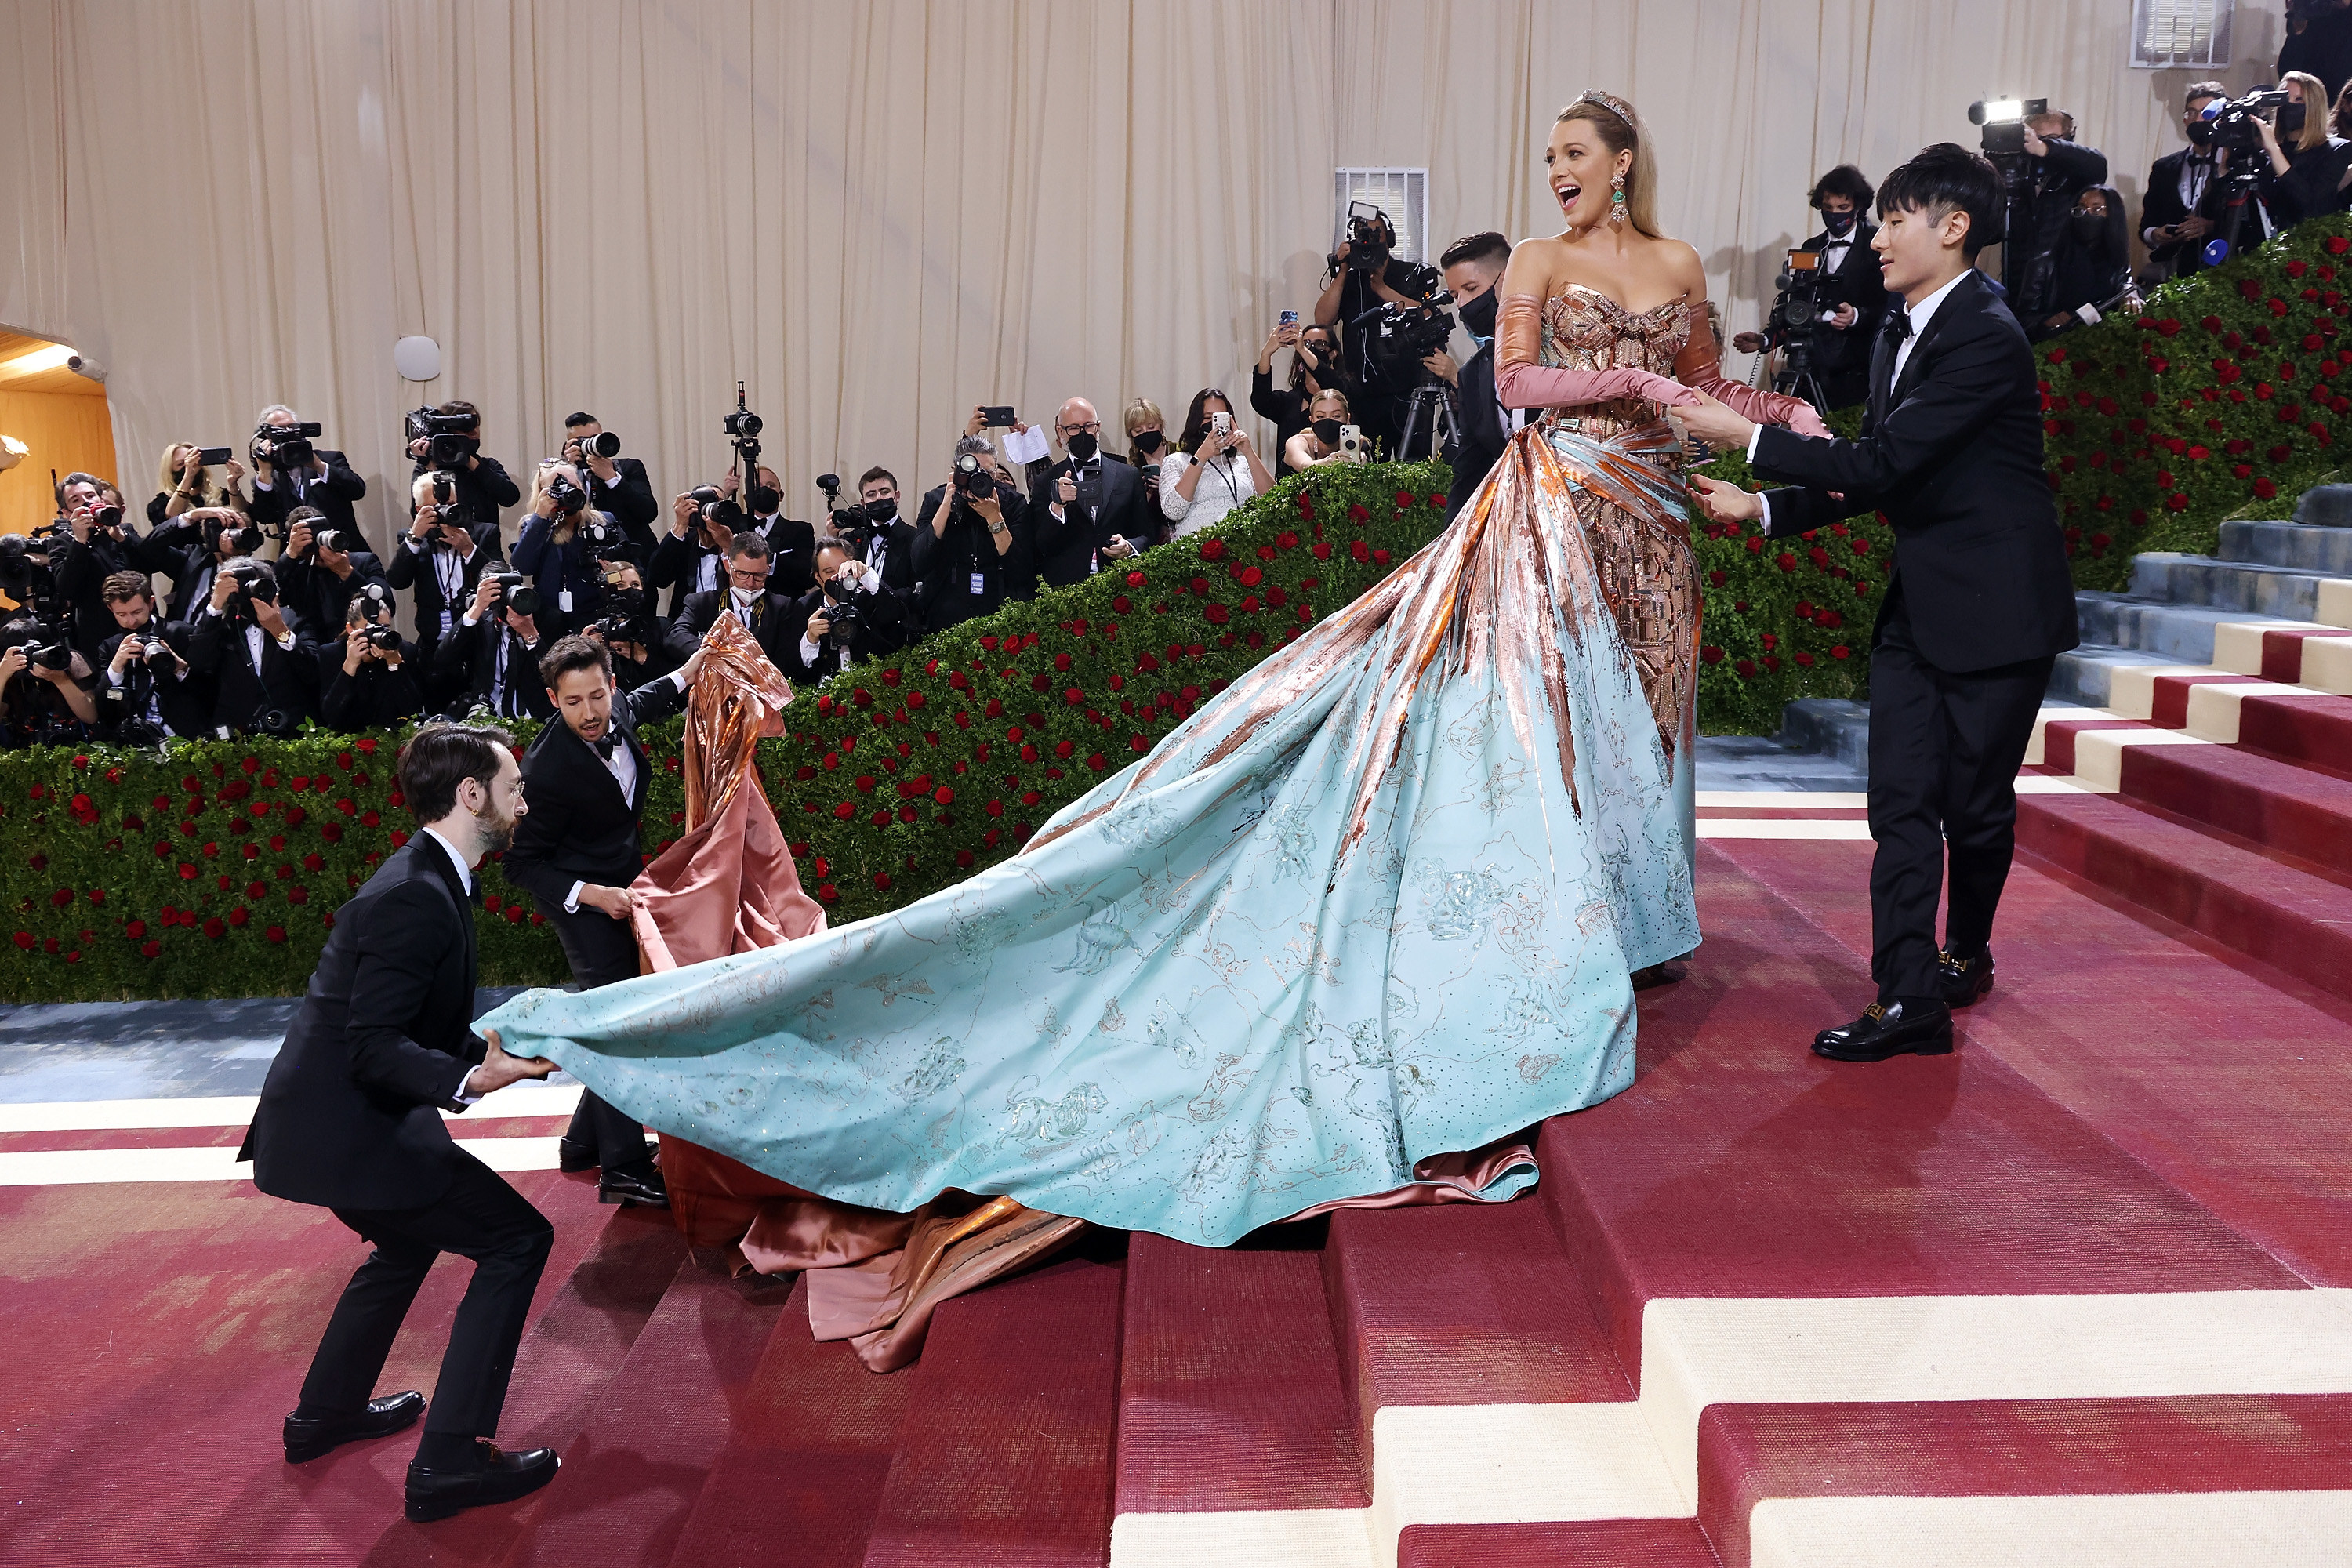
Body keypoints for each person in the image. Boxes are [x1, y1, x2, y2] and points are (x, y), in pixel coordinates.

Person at [477, 90, 1797, 1307]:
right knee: (1547, 726)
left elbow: (1711, 388)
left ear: (1624, 159)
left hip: (1656, 516)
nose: (1559, 174)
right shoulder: (1544, 269)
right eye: (1550, 157)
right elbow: (1518, 386)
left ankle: (1635, 915)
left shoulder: (1676, 269)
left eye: (1577, 155)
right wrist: (1637, 383)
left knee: (1647, 721)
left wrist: (1793, 432)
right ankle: (1561, 929)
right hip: (1552, 510)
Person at [1683, 142, 2078, 1063]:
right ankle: (1908, 999)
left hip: (2000, 611)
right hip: (1919, 605)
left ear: (1955, 227)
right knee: (1901, 801)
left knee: (1975, 809)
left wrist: (1752, 439)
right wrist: (1769, 508)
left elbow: (1886, 464)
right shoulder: (1899, 328)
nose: (1881, 236)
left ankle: (1966, 950)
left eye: (1899, 219)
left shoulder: (1986, 332)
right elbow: (1875, 474)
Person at [238, 721, 563, 1523]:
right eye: (514, 785)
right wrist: (468, 1075)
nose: (526, 799)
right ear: (471, 794)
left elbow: (408, 1021)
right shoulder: (414, 893)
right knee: (518, 1238)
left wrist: (490, 1052)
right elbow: (374, 1045)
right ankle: (450, 1460)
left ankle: (325, 1414)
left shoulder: (432, 876)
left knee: (412, 1238)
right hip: (348, 1131)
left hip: (339, 1123)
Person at [501, 636, 703, 1205]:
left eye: (596, 697)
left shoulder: (615, 708)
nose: (589, 714)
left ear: (609, 687)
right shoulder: (544, 770)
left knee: (624, 1011)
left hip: (622, 885)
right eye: (573, 703)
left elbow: (649, 698)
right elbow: (520, 865)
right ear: (552, 699)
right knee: (617, 1026)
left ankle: (582, 1141)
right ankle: (624, 1167)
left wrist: (694, 669)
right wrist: (593, 895)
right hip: (581, 900)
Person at [1730, 166, 1888, 411]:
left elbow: (1892, 305)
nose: (1834, 214)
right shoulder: (1810, 247)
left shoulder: (1878, 244)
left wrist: (1857, 316)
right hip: (1810, 365)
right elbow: (1797, 306)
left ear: (1858, 206)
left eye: (1842, 208)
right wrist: (1765, 339)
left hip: (1857, 371)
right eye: (1828, 208)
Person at [1314, 209, 1443, 453]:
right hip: (1361, 395)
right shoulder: (1350, 281)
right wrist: (1342, 272)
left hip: (1409, 392)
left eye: (1377, 234)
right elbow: (1322, 319)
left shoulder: (1411, 272)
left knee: (1412, 471)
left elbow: (1427, 314)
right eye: (1364, 235)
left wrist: (1381, 288)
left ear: (1389, 239)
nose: (1371, 241)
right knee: (1362, 467)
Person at [390, 474, 507, 709]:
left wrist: (469, 549)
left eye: (451, 504)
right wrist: (415, 536)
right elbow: (397, 580)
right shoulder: (413, 538)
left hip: (479, 646)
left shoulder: (484, 533)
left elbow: (500, 579)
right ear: (418, 509)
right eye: (435, 508)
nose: (445, 512)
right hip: (434, 648)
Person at [1429, 231, 1515, 520]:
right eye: (1455, 295)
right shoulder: (1472, 375)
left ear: (1506, 279)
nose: (1462, 304)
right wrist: (1451, 542)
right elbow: (1469, 469)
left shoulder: (1562, 352)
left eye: (1471, 288)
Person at [1029, 398, 1153, 587]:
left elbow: (1145, 534)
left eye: (1088, 426)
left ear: (1098, 427)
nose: (1082, 433)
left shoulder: (1128, 475)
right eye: (1073, 428)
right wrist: (1057, 507)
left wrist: (1128, 547)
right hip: (1065, 590)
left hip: (1118, 584)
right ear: (1060, 432)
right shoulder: (1046, 481)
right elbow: (1039, 544)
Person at [187, 558, 317, 735]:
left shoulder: (294, 620)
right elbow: (198, 663)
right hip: (238, 734)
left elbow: (312, 672)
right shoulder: (222, 628)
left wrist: (279, 631)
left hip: (291, 730)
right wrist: (215, 605)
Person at [2005, 110, 2107, 325]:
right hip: (2017, 275)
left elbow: (2098, 163)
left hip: (2061, 277)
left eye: (2050, 139)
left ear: (2068, 139)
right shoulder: (2019, 170)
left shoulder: (2079, 173)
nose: (2038, 144)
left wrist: (2045, 149)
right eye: (2035, 137)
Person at [919, 437, 1033, 630]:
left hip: (999, 613)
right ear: (955, 472)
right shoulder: (936, 499)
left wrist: (994, 517)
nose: (976, 480)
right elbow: (920, 561)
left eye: (986, 473)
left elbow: (1021, 569)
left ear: (996, 474)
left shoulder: (1012, 502)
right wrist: (947, 504)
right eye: (970, 473)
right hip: (945, 614)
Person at [96, 571, 205, 741]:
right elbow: (103, 708)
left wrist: (180, 668)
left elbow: (208, 691)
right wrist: (115, 669)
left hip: (182, 736)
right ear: (110, 609)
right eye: (121, 614)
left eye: (137, 612)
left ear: (151, 603)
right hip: (133, 739)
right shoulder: (110, 647)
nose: (131, 621)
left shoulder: (180, 633)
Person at [664, 533, 797, 670]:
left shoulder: (781, 607)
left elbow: (786, 659)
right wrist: (713, 651)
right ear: (728, 566)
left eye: (759, 575)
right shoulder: (702, 603)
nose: (750, 583)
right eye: (743, 574)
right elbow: (675, 636)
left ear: (768, 570)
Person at [2142, 82, 2233, 281]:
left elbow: (2249, 226)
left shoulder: (2238, 167)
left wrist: (2211, 226)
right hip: (2169, 275)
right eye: (2191, 112)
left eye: (2206, 112)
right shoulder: (2163, 167)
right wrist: (2156, 234)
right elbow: (2146, 226)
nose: (2198, 119)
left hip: (2220, 275)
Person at [786, 539, 913, 679]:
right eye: (829, 572)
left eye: (843, 569)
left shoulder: (870, 599)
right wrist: (810, 640)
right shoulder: (805, 607)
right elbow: (795, 671)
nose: (837, 578)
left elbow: (897, 613)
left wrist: (866, 575)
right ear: (817, 576)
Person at [1156, 389, 1273, 540]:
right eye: (1207, 418)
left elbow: (1272, 499)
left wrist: (1249, 452)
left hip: (1242, 549)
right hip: (1196, 553)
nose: (1214, 425)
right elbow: (1173, 510)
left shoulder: (1242, 463)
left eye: (1219, 418)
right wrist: (1202, 456)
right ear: (1196, 423)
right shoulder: (1176, 461)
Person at [510, 459, 611, 633]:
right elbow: (522, 566)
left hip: (595, 614)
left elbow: (630, 567)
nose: (568, 492)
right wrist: (541, 518)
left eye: (572, 485)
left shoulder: (603, 521)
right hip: (551, 619)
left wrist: (614, 572)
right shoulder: (535, 525)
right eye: (559, 487)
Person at [437, 574, 554, 721]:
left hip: (532, 718)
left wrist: (530, 635)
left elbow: (553, 677)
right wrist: (477, 607)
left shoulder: (544, 619)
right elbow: (442, 658)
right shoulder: (481, 622)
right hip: (485, 714)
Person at [2028, 187, 2136, 342]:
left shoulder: (2117, 262)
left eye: (2097, 209)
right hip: (2058, 347)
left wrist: (2129, 292)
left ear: (2112, 215)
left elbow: (2125, 283)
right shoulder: (2043, 264)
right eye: (2081, 209)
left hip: (2104, 346)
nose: (2087, 215)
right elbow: (2023, 319)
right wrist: (2046, 321)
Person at [249, 406, 367, 539]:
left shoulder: (330, 459)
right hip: (297, 555)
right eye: (280, 430)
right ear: (265, 438)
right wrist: (264, 472)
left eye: (292, 427)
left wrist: (318, 466)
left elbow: (357, 490)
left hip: (341, 546)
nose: (288, 433)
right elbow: (265, 517)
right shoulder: (267, 478)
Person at [320, 589, 426, 733]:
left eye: (384, 628)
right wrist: (350, 665)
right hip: (348, 743)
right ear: (351, 629)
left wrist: (395, 664)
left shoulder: (405, 651)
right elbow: (330, 715)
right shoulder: (331, 654)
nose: (378, 633)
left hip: (392, 741)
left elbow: (413, 712)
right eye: (369, 628)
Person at [2256, 71, 2352, 230]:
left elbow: (2309, 204)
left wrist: (2274, 150)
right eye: (2285, 98)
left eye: (2298, 99)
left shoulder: (2337, 150)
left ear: (2313, 107)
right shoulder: (2266, 153)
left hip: (2308, 246)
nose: (2289, 105)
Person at [277, 505, 391, 639]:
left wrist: (347, 572)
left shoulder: (364, 561)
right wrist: (289, 554)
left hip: (360, 642)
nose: (318, 549)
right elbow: (271, 595)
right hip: (315, 648)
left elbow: (387, 605)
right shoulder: (296, 572)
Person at [1253, 319, 1348, 476]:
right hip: (1294, 489)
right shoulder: (1290, 401)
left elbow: (1333, 385)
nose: (1311, 348)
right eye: (1307, 343)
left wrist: (1302, 348)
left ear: (1333, 353)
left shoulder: (1344, 392)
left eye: (1320, 344)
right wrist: (1266, 353)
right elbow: (1260, 400)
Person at [407, 401, 521, 528]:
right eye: (465, 426)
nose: (473, 430)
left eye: (476, 424)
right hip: (443, 544)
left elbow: (510, 497)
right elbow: (417, 513)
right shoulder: (426, 468)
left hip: (482, 545)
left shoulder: (488, 465)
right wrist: (431, 469)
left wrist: (470, 462)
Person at [557, 412, 659, 552]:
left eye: (594, 439)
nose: (589, 446)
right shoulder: (562, 475)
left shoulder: (628, 468)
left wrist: (612, 478)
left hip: (631, 554)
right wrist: (565, 469)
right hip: (582, 557)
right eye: (581, 441)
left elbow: (649, 513)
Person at [0, 622, 100, 743]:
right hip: (25, 748)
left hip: (73, 744)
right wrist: (2, 676)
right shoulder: (5, 670)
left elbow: (90, 716)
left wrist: (61, 680)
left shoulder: (66, 659)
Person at [649, 488, 732, 620]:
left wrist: (729, 547)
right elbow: (658, 579)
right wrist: (680, 525)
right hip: (688, 625)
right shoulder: (684, 543)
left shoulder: (739, 540)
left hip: (729, 626)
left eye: (718, 504)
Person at [845, 466, 922, 594]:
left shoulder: (915, 539)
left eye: (884, 491)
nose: (879, 498)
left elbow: (916, 589)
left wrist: (881, 595)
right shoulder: (852, 539)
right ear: (863, 503)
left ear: (897, 496)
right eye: (871, 494)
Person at [149, 442, 249, 528]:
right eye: (181, 464)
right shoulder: (160, 505)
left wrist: (233, 485)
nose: (190, 466)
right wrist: (188, 476)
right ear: (170, 472)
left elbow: (243, 519)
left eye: (193, 461)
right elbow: (173, 521)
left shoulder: (220, 495)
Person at [2282, 0, 2352, 107]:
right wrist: (2298, 31)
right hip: (2309, 104)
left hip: (2343, 106)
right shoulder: (2314, 11)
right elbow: (2287, 70)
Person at [1282, 388, 1362, 472]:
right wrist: (1327, 463)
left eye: (1336, 416)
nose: (1328, 421)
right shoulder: (1297, 442)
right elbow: (1303, 465)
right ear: (1312, 420)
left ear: (1347, 418)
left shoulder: (1355, 443)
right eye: (1320, 417)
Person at [1122, 399, 1171, 513]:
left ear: (1161, 426)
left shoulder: (1179, 454)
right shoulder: (1132, 468)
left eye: (1151, 427)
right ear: (1131, 435)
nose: (1146, 433)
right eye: (1138, 431)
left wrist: (1167, 487)